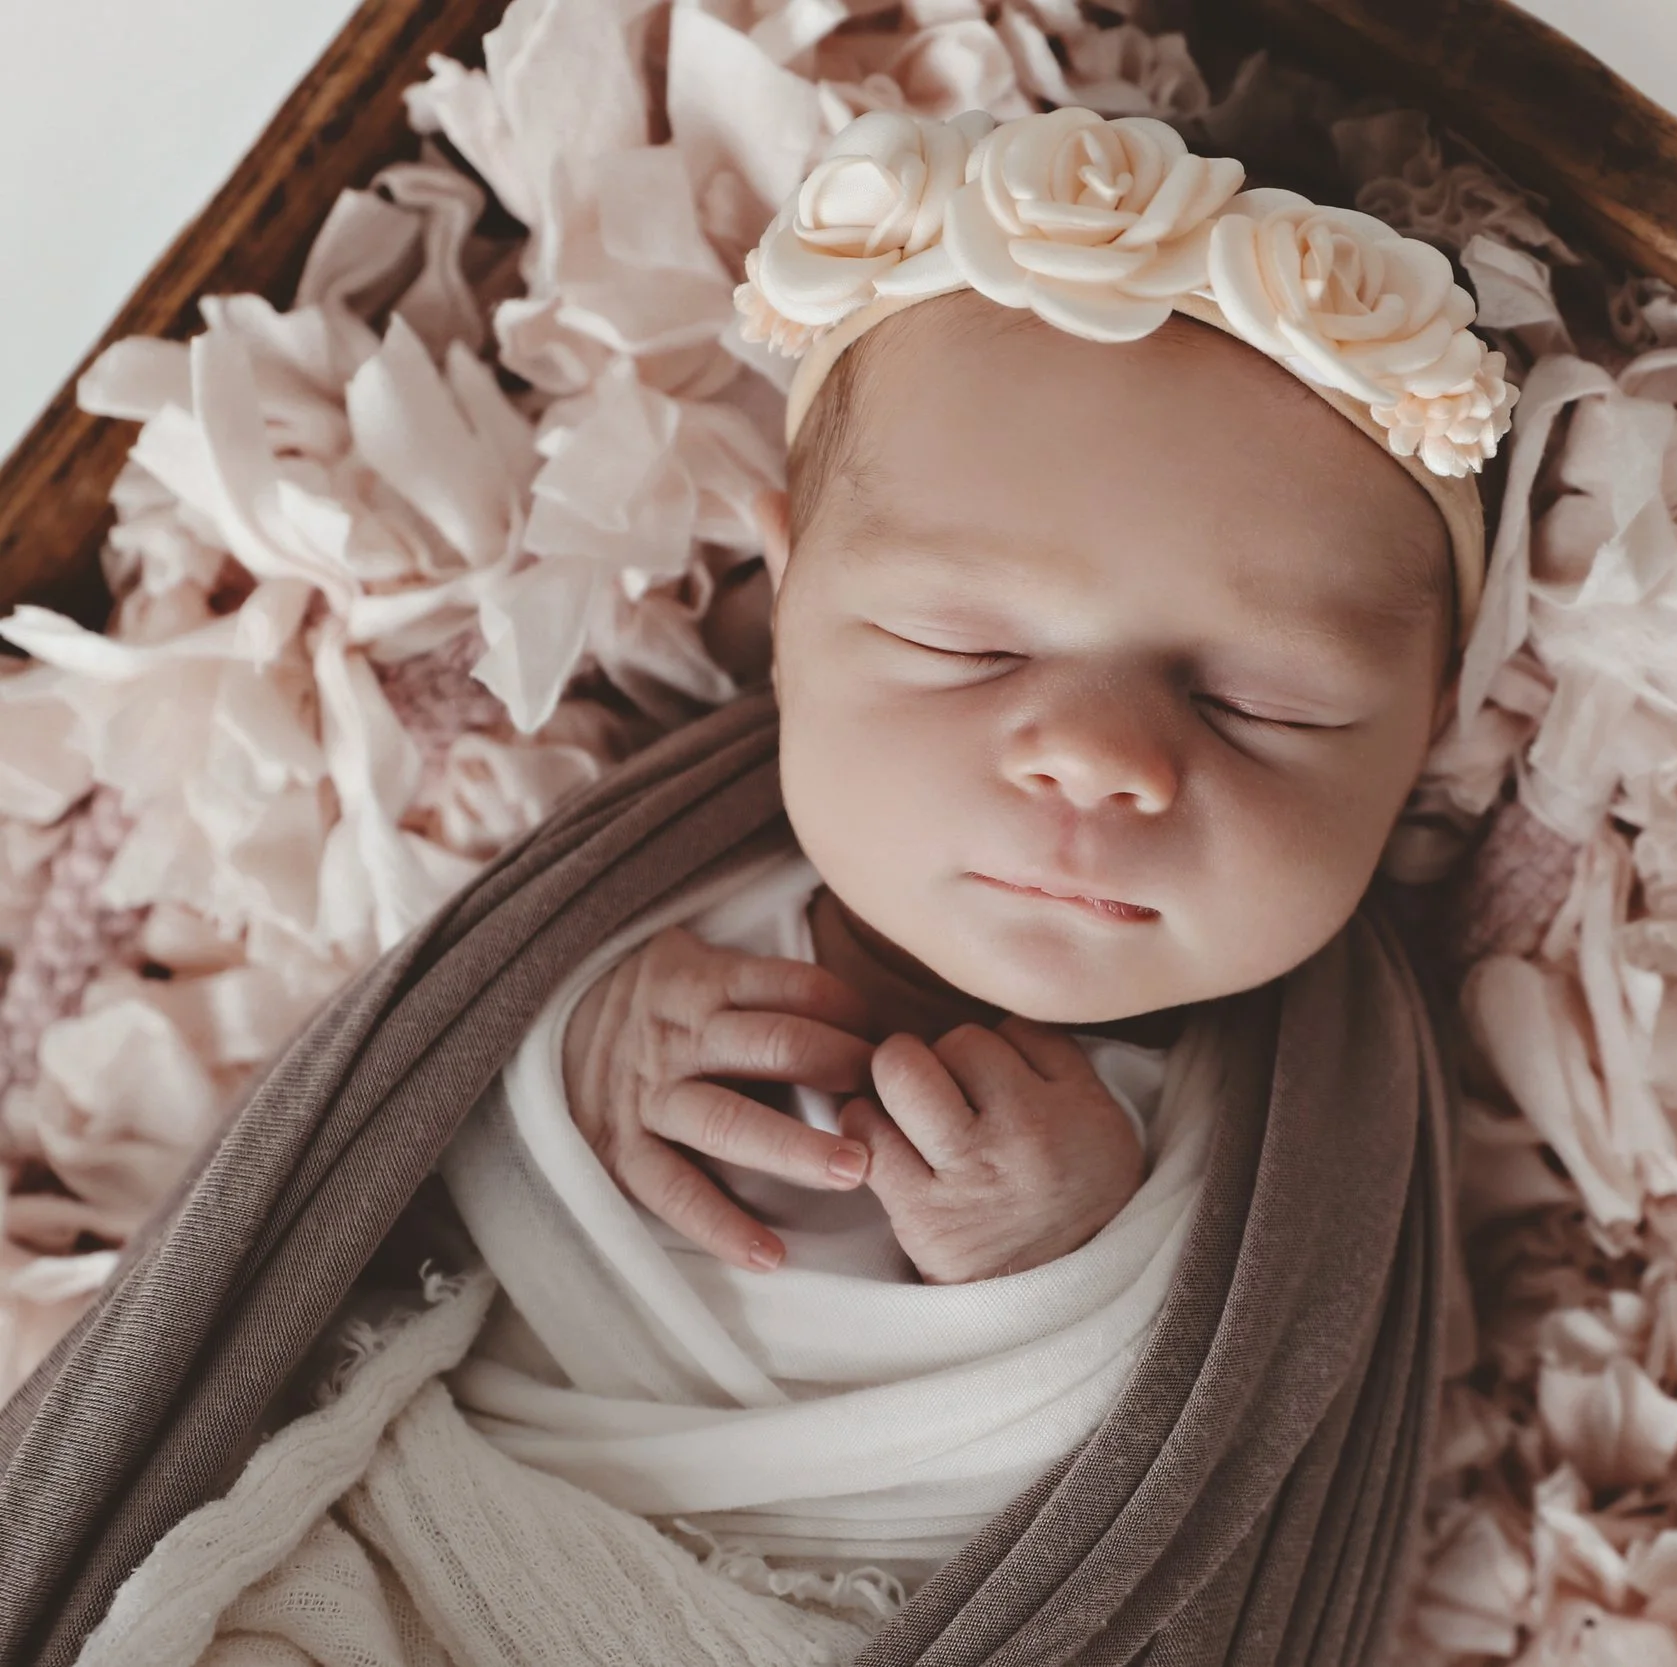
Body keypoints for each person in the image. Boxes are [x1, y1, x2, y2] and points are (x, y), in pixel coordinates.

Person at [2, 104, 1511, 1667]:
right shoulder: (636, 912)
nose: (1099, 757)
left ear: (1425, 725)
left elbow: (1212, 1489)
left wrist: (1062, 1269)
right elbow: (389, 1180)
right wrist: (571, 1071)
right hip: (427, 1556)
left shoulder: (1283, 1141)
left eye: (1262, 705)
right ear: (788, 608)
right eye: (966, 647)